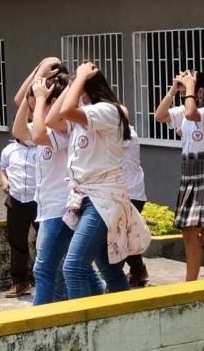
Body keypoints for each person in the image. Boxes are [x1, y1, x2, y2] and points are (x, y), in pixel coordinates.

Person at [53, 62, 150, 299]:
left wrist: (80, 78)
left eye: (77, 84)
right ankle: (125, 320)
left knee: (73, 267)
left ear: (86, 87)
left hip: (103, 199)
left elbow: (66, 111)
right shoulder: (84, 116)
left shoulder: (107, 110)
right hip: (86, 197)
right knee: (109, 269)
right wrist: (73, 83)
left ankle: (85, 331)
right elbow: (53, 120)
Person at [11, 58, 103, 305]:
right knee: (79, 270)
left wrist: (39, 99)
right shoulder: (50, 126)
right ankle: (102, 305)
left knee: (44, 269)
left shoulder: (64, 128)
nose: (33, 111)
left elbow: (39, 131)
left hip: (60, 208)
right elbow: (19, 131)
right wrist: (36, 87)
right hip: (49, 208)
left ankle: (41, 319)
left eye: (39, 105)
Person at [155, 70, 204, 281]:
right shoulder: (185, 108)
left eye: (188, 88)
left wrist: (190, 88)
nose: (184, 93)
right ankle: (191, 281)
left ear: (199, 91)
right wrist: (172, 90)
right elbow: (159, 116)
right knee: (188, 229)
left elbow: (191, 114)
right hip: (189, 170)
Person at [0, 138, 38, 298]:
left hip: (38, 200)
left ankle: (50, 279)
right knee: (16, 241)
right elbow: (3, 169)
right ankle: (20, 281)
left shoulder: (42, 147)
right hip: (16, 200)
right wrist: (5, 182)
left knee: (46, 240)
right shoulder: (9, 149)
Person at [122, 124, 149, 287]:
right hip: (119, 193)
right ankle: (138, 271)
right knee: (124, 238)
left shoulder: (128, 134)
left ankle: (115, 278)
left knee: (119, 237)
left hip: (131, 194)